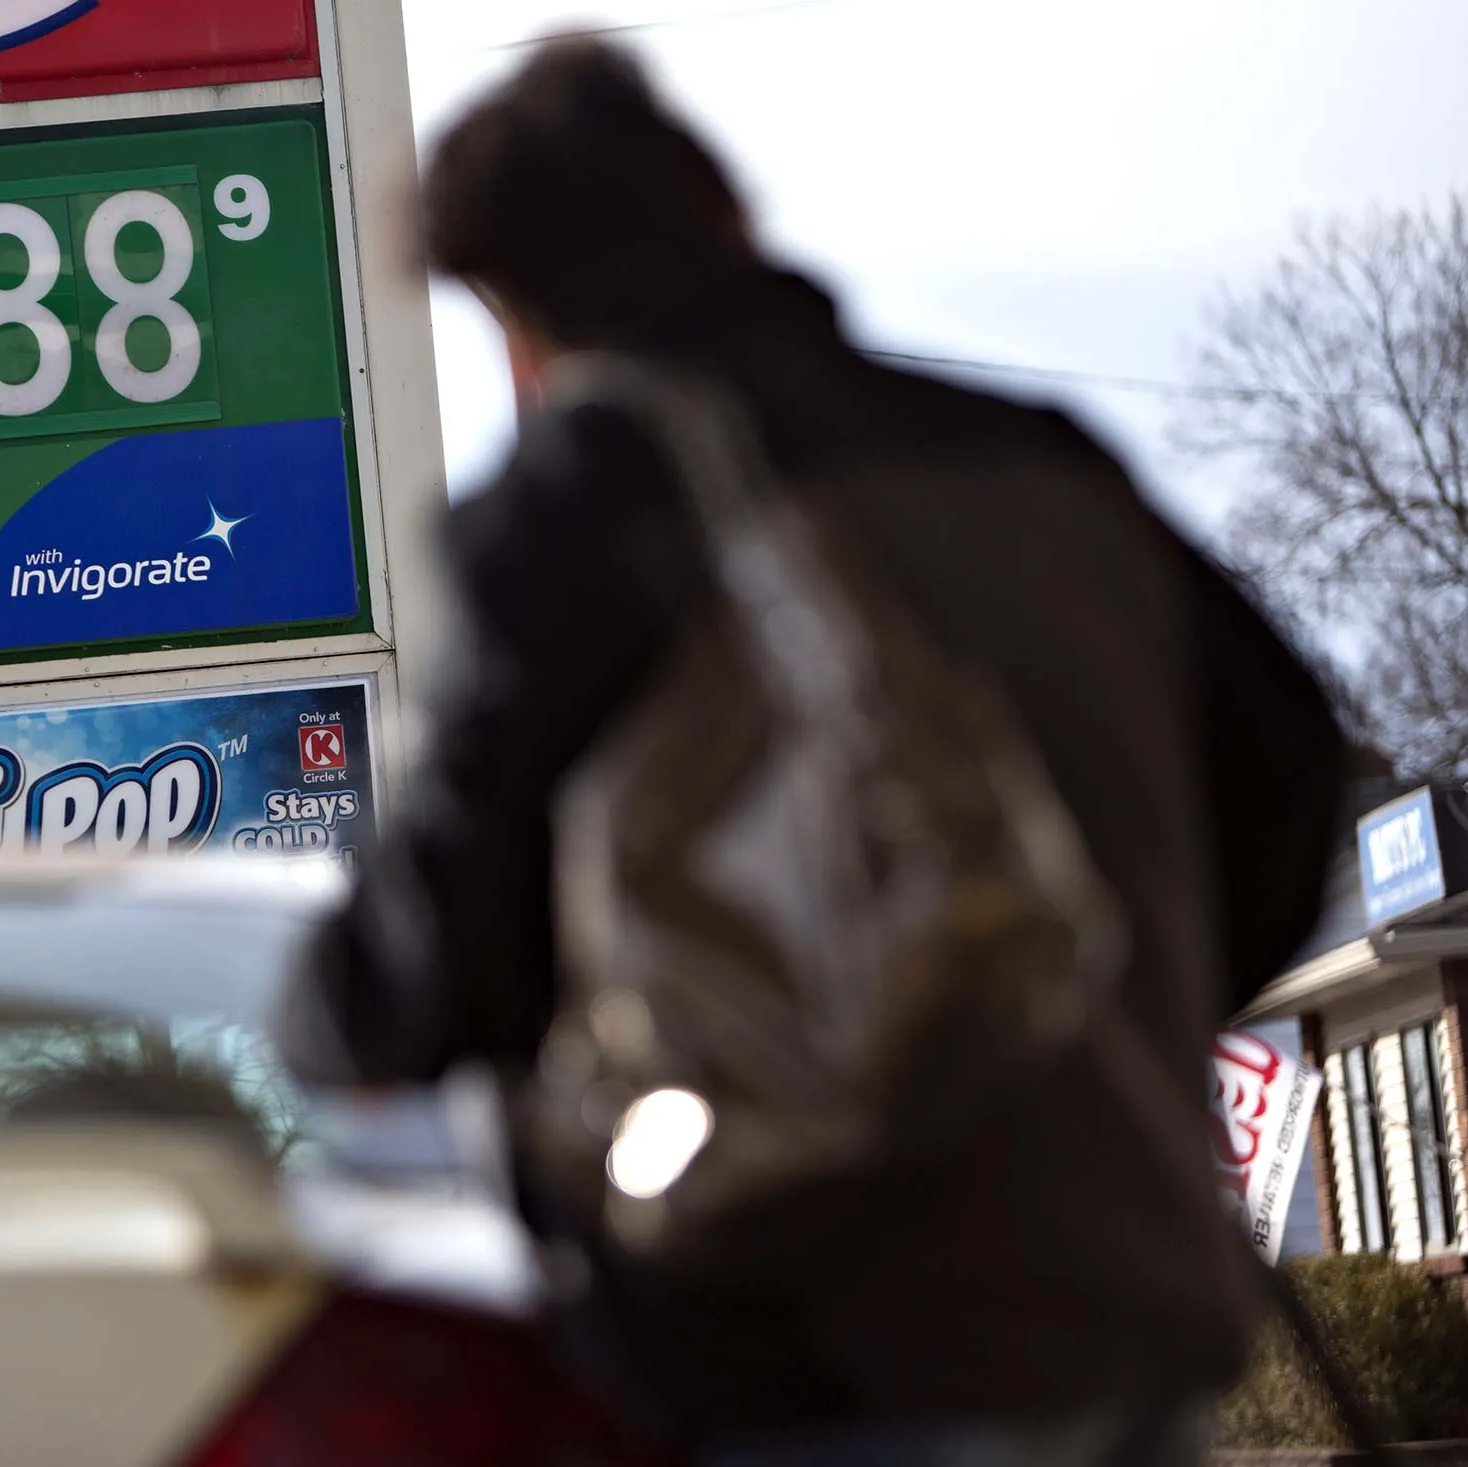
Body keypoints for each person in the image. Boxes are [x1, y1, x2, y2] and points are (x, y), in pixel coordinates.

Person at [278, 37, 1345, 1465]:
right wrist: (1088, 1001)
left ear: (520, 313)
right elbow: (1290, 777)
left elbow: (436, 951)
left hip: (807, 1345)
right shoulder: (1044, 460)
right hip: (1122, 1301)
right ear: (727, 221)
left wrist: (317, 1010)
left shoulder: (592, 500)